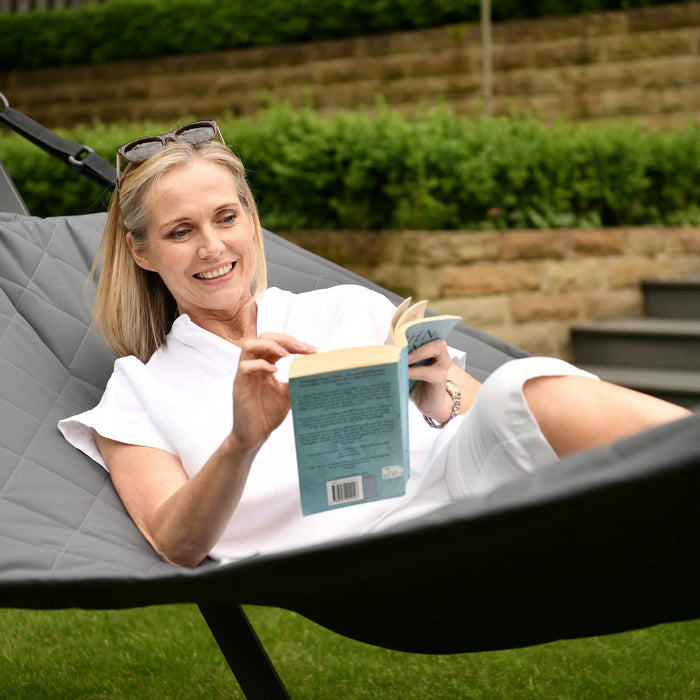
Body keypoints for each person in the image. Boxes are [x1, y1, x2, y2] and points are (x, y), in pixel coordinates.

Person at [58, 120, 690, 568]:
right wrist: (241, 442)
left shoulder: (345, 308)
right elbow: (175, 543)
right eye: (180, 231)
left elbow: (481, 411)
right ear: (141, 251)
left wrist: (437, 394)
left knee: (522, 386)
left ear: (251, 219)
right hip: (361, 555)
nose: (212, 247)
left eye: (227, 217)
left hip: (462, 483)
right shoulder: (139, 389)